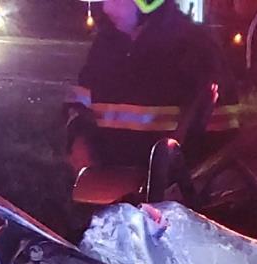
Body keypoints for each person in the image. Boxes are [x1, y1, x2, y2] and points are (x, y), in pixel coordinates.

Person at [65, 0, 238, 175]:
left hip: (170, 188)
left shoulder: (197, 49)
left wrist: (178, 179)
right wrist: (79, 140)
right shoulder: (104, 45)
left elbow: (219, 148)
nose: (106, 8)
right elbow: (79, 103)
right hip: (106, 186)